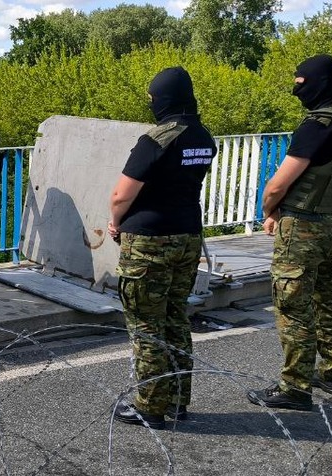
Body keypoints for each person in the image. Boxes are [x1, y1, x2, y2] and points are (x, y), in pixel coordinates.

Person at [248, 54, 332, 410]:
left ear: (318, 83)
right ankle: (331, 372)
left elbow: (277, 185)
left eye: (301, 82)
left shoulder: (317, 127)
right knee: (326, 296)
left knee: (293, 304)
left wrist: (270, 211)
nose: (296, 88)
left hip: (302, 225)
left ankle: (295, 387)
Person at [108, 67, 216, 429]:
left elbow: (122, 194)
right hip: (187, 236)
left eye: (153, 98)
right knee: (174, 319)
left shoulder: (156, 138)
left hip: (149, 241)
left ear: (164, 98)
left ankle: (149, 405)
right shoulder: (203, 136)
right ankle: (177, 401)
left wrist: (116, 222)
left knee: (146, 325)